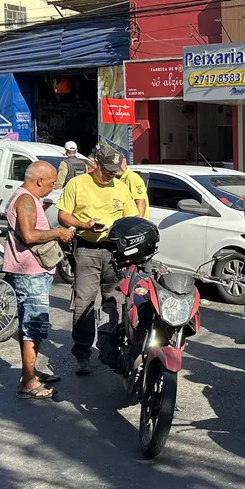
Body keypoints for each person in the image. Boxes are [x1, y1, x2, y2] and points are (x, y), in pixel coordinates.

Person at [56, 144, 139, 375]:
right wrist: (85, 224)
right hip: (86, 249)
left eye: (114, 170)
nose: (111, 173)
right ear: (95, 164)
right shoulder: (77, 184)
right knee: (84, 302)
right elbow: (62, 215)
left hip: (115, 253)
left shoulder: (121, 188)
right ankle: (82, 354)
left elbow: (131, 217)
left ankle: (112, 349)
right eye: (107, 169)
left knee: (115, 300)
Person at [5, 161, 76, 399]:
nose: (53, 186)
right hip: (30, 272)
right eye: (52, 182)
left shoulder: (27, 197)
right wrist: (58, 232)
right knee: (33, 325)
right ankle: (28, 382)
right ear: (39, 180)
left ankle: (30, 372)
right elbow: (29, 235)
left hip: (34, 271)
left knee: (29, 323)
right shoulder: (25, 199)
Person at [111, 151, 149, 218]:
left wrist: (137, 224)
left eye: (119, 163)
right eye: (114, 165)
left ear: (125, 161)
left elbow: (141, 202)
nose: (117, 167)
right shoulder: (115, 179)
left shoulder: (132, 177)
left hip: (133, 223)